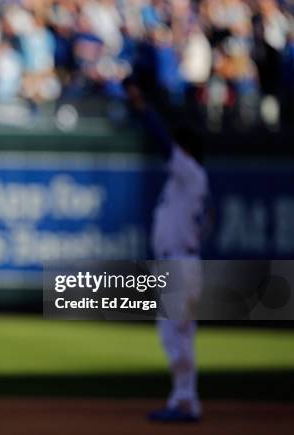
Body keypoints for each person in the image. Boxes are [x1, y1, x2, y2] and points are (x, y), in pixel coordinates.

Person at [125, 79, 209, 423]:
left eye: (179, 145)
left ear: (185, 149)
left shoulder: (189, 171)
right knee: (181, 336)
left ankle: (185, 400)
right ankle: (185, 398)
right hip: (183, 263)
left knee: (174, 336)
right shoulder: (188, 180)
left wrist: (143, 107)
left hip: (178, 264)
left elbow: (162, 141)